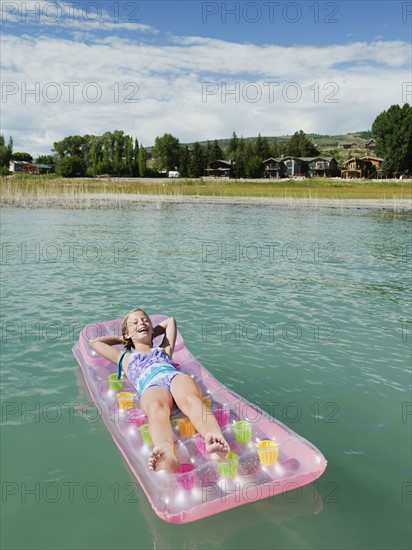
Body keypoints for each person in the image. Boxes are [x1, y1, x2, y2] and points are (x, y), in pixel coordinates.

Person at [89, 308, 230, 472]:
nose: (141, 323)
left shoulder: (164, 348)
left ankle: (215, 439)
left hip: (173, 376)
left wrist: (144, 332)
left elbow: (170, 322)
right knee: (156, 406)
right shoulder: (125, 358)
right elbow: (94, 342)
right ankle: (167, 453)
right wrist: (125, 339)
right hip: (151, 385)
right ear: (127, 334)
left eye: (145, 320)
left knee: (191, 398)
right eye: (134, 322)